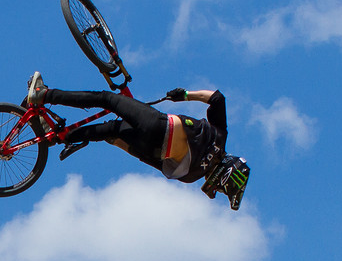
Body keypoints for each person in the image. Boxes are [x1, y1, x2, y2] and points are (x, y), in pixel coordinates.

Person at [23, 72, 250, 209]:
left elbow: (217, 98)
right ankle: (57, 137)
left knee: (107, 99)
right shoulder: (191, 177)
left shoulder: (220, 137)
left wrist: (184, 95)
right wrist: (117, 141)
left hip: (158, 125)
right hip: (150, 146)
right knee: (108, 130)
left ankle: (43, 94)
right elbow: (150, 160)